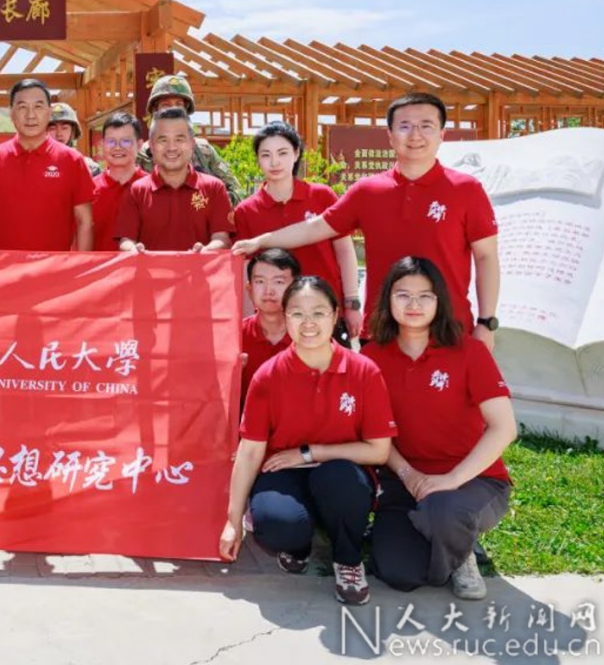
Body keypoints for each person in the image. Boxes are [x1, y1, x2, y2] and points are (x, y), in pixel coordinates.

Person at [233, 92, 500, 348]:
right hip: (382, 332)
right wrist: (260, 241)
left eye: (426, 125)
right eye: (405, 126)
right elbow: (317, 227)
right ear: (390, 135)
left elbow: (486, 256)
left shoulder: (466, 189)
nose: (415, 135)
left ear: (442, 134)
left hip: (448, 329)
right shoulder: (368, 191)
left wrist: (486, 322)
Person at [219, 277, 396, 605]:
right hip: (283, 470)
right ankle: (299, 546)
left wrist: (309, 453)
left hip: (340, 470)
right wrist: (233, 521)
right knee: (276, 524)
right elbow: (250, 450)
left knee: (341, 481)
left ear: (335, 315)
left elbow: (379, 450)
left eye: (318, 313)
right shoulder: (269, 375)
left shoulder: (363, 371)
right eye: (298, 314)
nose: (308, 323)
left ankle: (347, 559)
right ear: (286, 317)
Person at [362, 257, 517, 600]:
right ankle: (445, 539)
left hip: (475, 481)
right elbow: (374, 433)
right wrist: (407, 474)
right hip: (404, 482)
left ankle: (460, 553)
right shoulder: (372, 357)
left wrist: (451, 480)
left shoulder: (470, 351)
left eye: (425, 296)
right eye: (403, 295)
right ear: (387, 299)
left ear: (439, 301)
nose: (414, 305)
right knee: (398, 572)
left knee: (443, 510)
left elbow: (504, 428)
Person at [234, 121, 362, 341]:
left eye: (282, 153)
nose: (274, 162)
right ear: (257, 159)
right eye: (266, 155)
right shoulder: (246, 211)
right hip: (274, 321)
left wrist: (351, 303)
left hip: (325, 311)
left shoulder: (322, 196)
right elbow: (245, 271)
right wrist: (247, 324)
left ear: (296, 153)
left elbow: (344, 251)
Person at [0, 78, 95, 251]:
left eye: (38, 106)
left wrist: (82, 264)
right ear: (11, 113)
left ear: (49, 112)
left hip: (55, 265)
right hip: (5, 264)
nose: (30, 115)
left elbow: (84, 221)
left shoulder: (72, 160)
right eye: (22, 107)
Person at [114, 107, 234, 253]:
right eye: (163, 139)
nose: (171, 147)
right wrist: (133, 249)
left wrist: (207, 250)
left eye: (179, 139)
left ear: (192, 143)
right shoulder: (136, 191)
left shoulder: (214, 188)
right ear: (151, 145)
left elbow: (222, 238)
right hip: (150, 268)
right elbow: (126, 240)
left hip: (199, 267)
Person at [135, 73, 241, 204]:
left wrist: (209, 203)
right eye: (166, 105)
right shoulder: (142, 155)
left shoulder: (203, 151)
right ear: (155, 110)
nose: (173, 110)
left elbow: (235, 190)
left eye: (179, 105)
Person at [240, 248, 300, 406]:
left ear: (295, 288)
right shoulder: (235, 336)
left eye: (278, 282)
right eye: (260, 282)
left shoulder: (310, 336)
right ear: (249, 289)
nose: (268, 291)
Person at [91, 112, 147, 252]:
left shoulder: (151, 188)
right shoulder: (89, 189)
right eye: (111, 141)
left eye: (125, 141)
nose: (117, 147)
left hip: (141, 266)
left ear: (139, 145)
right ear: (102, 144)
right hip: (98, 266)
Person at [48, 99, 102, 177]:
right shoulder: (34, 166)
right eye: (52, 128)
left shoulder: (89, 168)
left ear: (73, 132)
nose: (59, 134)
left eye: (64, 128)